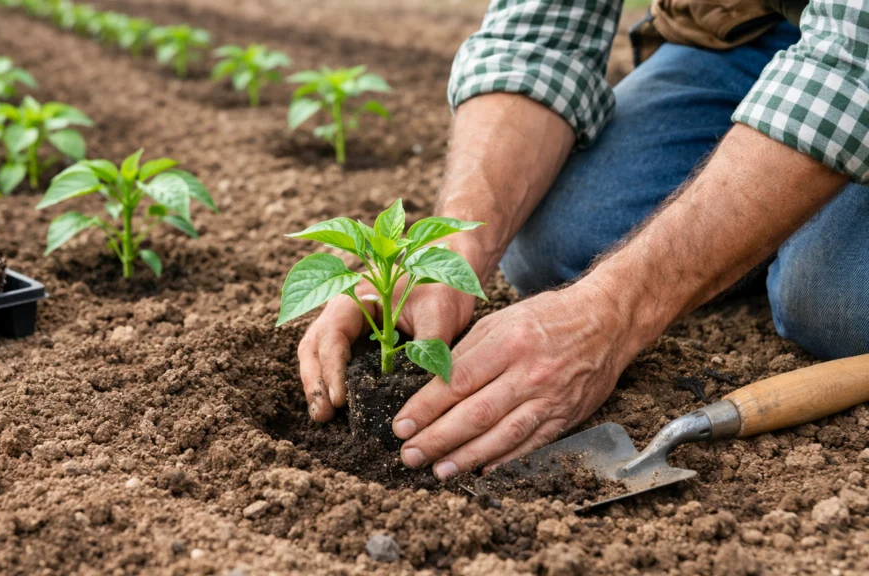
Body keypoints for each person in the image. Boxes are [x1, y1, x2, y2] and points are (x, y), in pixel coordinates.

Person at [297, 0, 869, 480]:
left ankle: (784, 231)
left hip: (855, 46)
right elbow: (538, 35)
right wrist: (452, 251)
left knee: (825, 298)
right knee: (556, 241)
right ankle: (769, 218)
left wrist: (611, 310)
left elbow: (850, 64)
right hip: (743, 26)